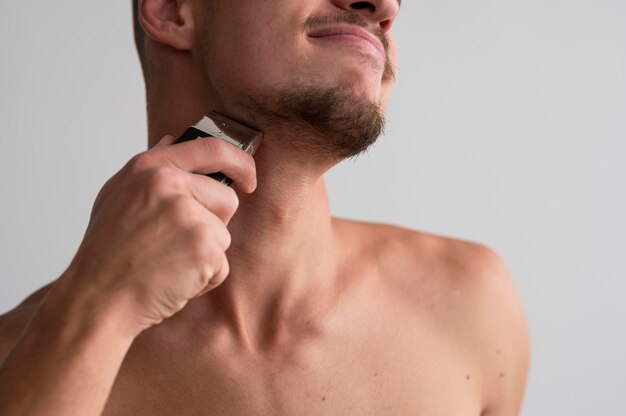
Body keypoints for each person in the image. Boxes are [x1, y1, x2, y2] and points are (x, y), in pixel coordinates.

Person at [0, 0, 529, 414]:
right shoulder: (16, 366)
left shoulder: (471, 306)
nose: (383, 6)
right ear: (172, 9)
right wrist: (98, 311)